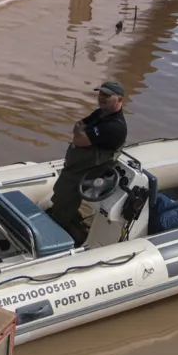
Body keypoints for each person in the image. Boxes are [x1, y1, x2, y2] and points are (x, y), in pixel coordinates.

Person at [48, 80, 128, 246]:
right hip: (74, 167)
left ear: (119, 100)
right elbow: (78, 126)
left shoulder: (115, 126)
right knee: (59, 194)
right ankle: (63, 219)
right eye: (101, 94)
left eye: (107, 95)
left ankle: (58, 238)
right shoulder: (100, 114)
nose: (101, 98)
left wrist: (81, 133)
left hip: (85, 172)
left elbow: (79, 137)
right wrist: (80, 133)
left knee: (65, 199)